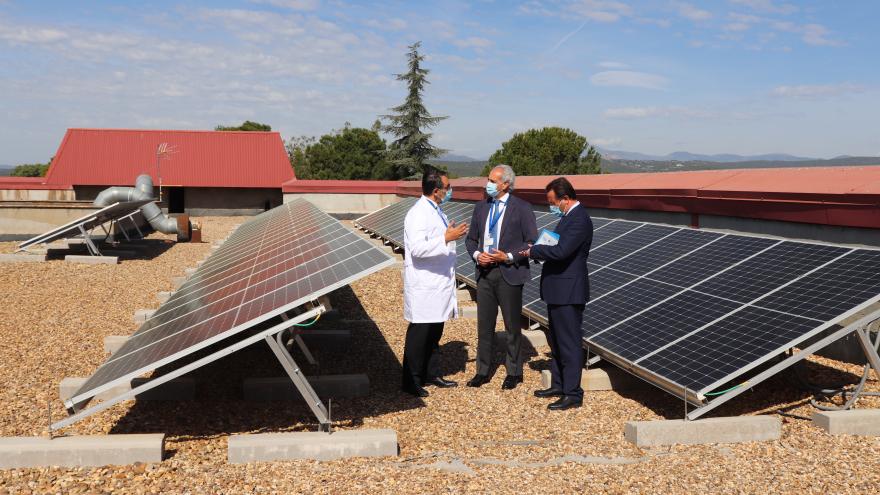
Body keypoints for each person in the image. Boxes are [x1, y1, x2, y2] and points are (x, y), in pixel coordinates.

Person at [521, 177, 593, 410]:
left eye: (553, 202)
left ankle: (573, 393)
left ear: (565, 198)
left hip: (568, 291)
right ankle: (559, 383)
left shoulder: (579, 220)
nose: (552, 206)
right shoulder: (568, 218)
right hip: (558, 290)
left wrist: (534, 250)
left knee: (569, 342)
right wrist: (543, 249)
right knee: (557, 341)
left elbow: (561, 251)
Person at [464, 164, 537, 390]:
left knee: (511, 326)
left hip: (509, 273)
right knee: (484, 325)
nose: (489, 184)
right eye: (488, 179)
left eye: (493, 181)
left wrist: (509, 256)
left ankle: (514, 371)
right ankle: (483, 371)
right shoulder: (481, 207)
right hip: (485, 273)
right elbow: (470, 240)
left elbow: (531, 242)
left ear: (506, 184)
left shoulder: (522, 208)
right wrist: (477, 255)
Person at [401, 167, 469, 397]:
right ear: (437, 190)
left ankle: (431, 372)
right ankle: (411, 380)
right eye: (448, 187)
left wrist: (447, 236)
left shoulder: (437, 210)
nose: (451, 190)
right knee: (420, 334)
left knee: (434, 332)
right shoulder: (418, 213)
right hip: (425, 286)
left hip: (438, 284)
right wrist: (445, 238)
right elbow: (418, 249)